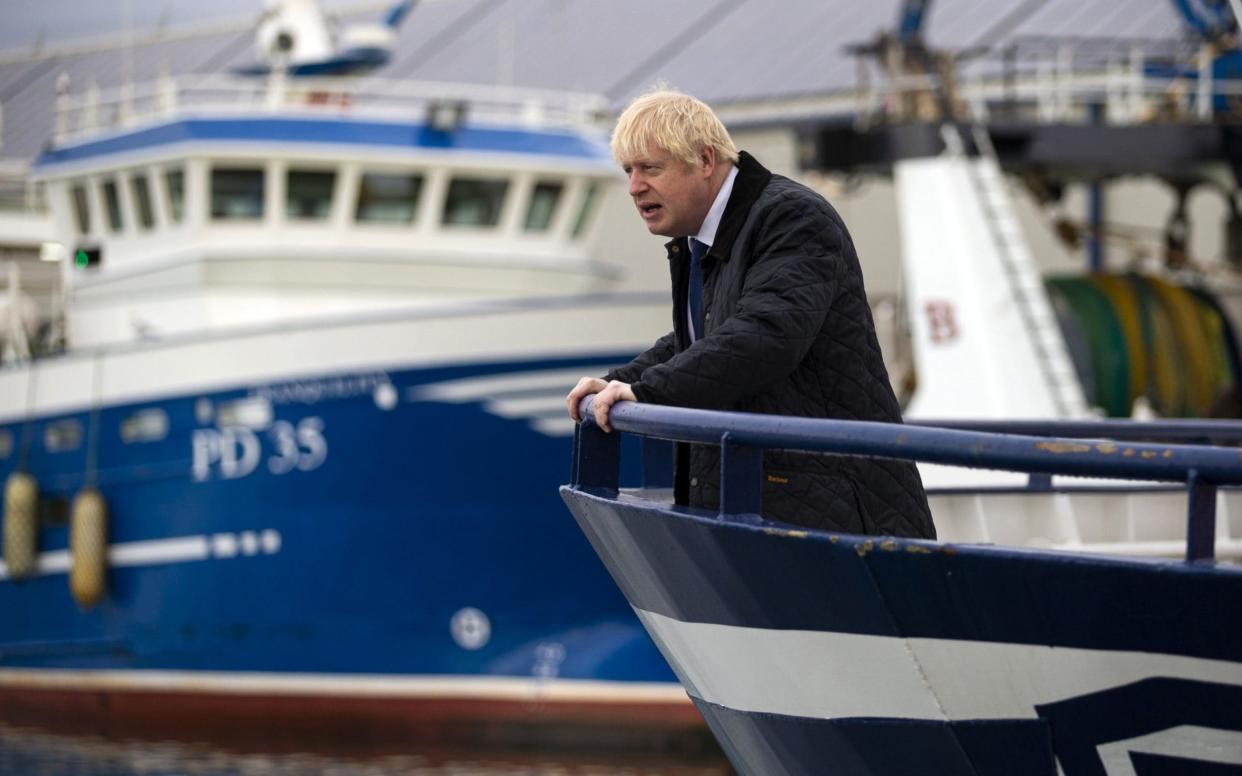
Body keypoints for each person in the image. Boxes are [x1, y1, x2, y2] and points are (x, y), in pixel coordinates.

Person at [567, 89, 934, 539]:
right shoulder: (707, 233)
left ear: (704, 160)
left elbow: (766, 336)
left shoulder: (791, 217)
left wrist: (646, 393)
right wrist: (620, 380)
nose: (634, 187)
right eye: (628, 170)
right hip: (778, 511)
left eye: (651, 168)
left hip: (836, 523)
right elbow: (704, 334)